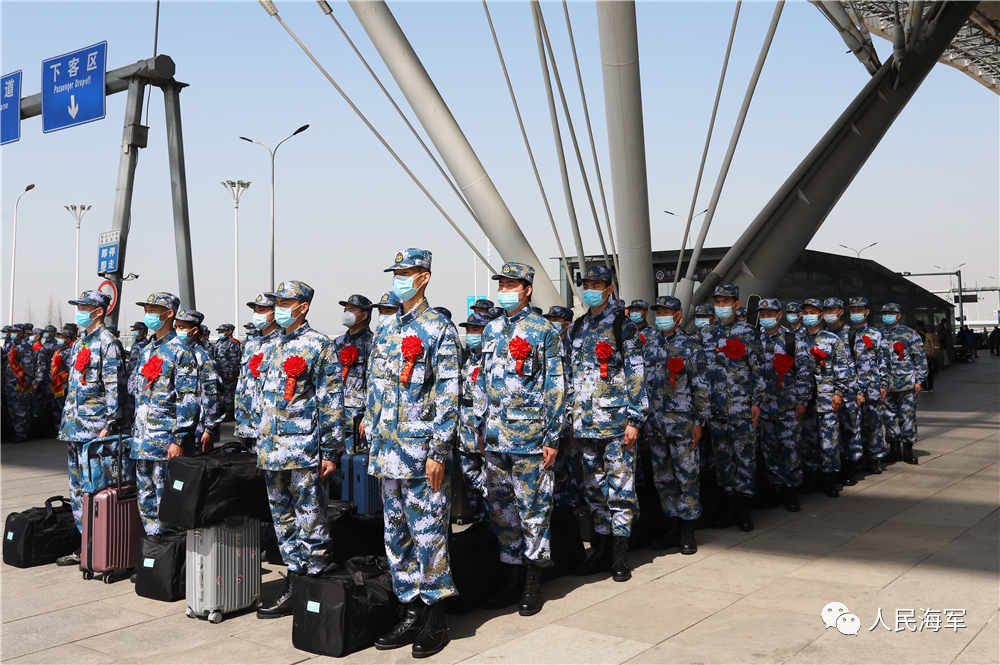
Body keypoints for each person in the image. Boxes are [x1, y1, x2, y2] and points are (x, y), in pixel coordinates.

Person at [360, 249, 457, 657]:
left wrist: (438, 449)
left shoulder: (439, 328)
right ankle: (410, 610)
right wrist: (368, 419)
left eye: (406, 273)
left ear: (424, 278)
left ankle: (436, 618)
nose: (399, 279)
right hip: (387, 452)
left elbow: (448, 392)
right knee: (396, 536)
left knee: (429, 535)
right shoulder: (385, 330)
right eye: (396, 273)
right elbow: (374, 384)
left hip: (421, 455)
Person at [472, 262, 565, 615]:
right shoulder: (492, 329)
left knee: (534, 510)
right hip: (495, 438)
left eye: (512, 284)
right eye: (503, 283)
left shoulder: (543, 331)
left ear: (527, 289)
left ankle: (532, 581)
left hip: (529, 439)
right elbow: (482, 383)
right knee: (501, 511)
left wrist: (552, 436)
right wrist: (478, 428)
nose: (505, 289)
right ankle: (511, 576)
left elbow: (555, 385)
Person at [253, 281, 342, 618]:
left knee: (311, 518)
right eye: (277, 301)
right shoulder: (272, 346)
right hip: (272, 451)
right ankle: (294, 579)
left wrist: (331, 452)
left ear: (303, 306)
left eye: (286, 301)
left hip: (303, 450)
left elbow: (332, 402)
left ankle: (315, 581)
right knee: (283, 520)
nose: (279, 307)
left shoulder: (318, 345)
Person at [569, 265, 647, 582]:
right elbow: (570, 377)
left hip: (616, 425)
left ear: (609, 288)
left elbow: (636, 375)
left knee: (621, 492)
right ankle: (600, 550)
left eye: (596, 283)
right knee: (595, 492)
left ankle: (619, 555)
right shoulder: (577, 328)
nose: (590, 288)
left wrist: (635, 419)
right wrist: (570, 420)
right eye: (586, 283)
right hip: (585, 426)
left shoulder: (623, 327)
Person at [55, 290, 126, 566]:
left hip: (95, 430)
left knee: (96, 488)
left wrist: (111, 422)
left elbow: (114, 387)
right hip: (74, 427)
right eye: (79, 306)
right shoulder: (80, 342)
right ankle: (85, 544)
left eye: (85, 306)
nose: (80, 311)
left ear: (99, 311)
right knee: (76, 488)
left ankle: (100, 545)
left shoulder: (108, 343)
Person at [644, 295, 709, 553]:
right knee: (663, 479)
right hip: (656, 424)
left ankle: (687, 530)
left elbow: (701, 387)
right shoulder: (648, 345)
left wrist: (698, 422)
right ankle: (671, 525)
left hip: (683, 424)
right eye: (658, 311)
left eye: (666, 311)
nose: (661, 316)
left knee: (687, 477)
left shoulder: (691, 346)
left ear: (679, 316)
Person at [131, 293, 198, 534]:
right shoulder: (148, 350)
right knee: (146, 501)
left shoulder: (181, 351)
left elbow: (188, 398)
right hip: (142, 440)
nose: (148, 314)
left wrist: (178, 438)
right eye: (146, 309)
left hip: (164, 442)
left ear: (169, 314)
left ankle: (171, 553)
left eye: (153, 309)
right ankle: (155, 551)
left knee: (166, 501)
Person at [702, 285, 766, 531]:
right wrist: (704, 407)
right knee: (722, 459)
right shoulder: (706, 334)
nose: (721, 306)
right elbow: (701, 376)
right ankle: (728, 506)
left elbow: (758, 370)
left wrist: (756, 402)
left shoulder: (748, 332)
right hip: (716, 409)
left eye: (725, 301)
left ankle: (744, 509)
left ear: (736, 304)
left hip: (742, 408)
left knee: (745, 457)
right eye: (717, 301)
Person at [756, 298, 811, 512]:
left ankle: (792, 491)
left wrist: (802, 401)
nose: (766, 318)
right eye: (763, 314)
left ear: (779, 315)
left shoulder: (792, 340)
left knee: (791, 449)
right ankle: (776, 489)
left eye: (770, 314)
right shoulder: (757, 341)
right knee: (770, 450)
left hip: (788, 406)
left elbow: (805, 373)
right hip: (765, 407)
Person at [799, 299, 849, 497]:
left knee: (829, 441)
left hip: (827, 398)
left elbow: (842, 368)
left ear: (820, 315)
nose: (809, 315)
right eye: (806, 312)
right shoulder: (795, 339)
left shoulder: (832, 340)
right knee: (808, 440)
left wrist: (839, 392)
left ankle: (829, 478)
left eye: (813, 311)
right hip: (804, 400)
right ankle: (812, 477)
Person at [543, 306, 580, 510]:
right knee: (555, 467)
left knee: (575, 466)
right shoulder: (548, 346)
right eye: (550, 318)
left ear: (566, 323)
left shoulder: (574, 347)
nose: (553, 322)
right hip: (552, 420)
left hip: (572, 419)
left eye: (556, 319)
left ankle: (576, 508)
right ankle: (559, 506)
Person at [822, 298, 862, 487]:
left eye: (832, 309)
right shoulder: (823, 334)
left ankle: (851, 469)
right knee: (831, 434)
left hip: (850, 391)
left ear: (840, 312)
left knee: (851, 430)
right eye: (826, 309)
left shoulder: (851, 333)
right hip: (830, 392)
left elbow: (862, 365)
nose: (829, 312)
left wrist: (861, 390)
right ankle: (834, 470)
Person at [880, 304, 926, 465]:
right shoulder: (878, 334)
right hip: (886, 385)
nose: (887, 316)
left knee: (908, 417)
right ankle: (894, 449)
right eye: (885, 313)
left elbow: (919, 358)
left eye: (891, 313)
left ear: (898, 315)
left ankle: (907, 449)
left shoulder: (909, 334)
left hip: (906, 383)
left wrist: (919, 380)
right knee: (889, 418)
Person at [847, 297, 889, 474]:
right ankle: (858, 457)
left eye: (859, 310)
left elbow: (884, 361)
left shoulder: (876, 335)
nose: (856, 313)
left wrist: (884, 383)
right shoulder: (845, 334)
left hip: (872, 387)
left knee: (873, 425)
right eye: (853, 310)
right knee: (854, 425)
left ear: (867, 311)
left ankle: (874, 458)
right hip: (850, 388)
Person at [455, 312, 490, 525]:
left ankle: (491, 529)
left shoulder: (492, 359)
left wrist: (482, 430)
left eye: (475, 329)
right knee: (471, 484)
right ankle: (479, 525)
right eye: (468, 330)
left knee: (489, 486)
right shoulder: (467, 359)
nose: (470, 334)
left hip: (483, 432)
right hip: (464, 430)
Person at [235, 293, 281, 447]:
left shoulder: (283, 345)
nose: (256, 315)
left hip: (273, 428)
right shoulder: (251, 345)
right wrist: (241, 421)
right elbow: (242, 385)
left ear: (275, 312)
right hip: (249, 426)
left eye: (262, 310)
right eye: (255, 311)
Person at [174, 310, 220, 453]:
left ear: (194, 330)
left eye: (181, 328)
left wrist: (210, 429)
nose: (177, 331)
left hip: (197, 430)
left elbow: (212, 395)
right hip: (177, 428)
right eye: (176, 327)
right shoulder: (176, 353)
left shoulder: (203, 356)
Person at [333, 294, 375, 455]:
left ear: (364, 315)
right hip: (337, 417)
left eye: (351, 309)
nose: (346, 313)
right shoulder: (337, 343)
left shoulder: (373, 343)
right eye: (345, 310)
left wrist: (368, 417)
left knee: (354, 469)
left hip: (357, 420)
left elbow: (374, 385)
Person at [4, 323, 39, 442]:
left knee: (21, 409)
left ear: (21, 333)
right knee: (12, 409)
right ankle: (15, 432)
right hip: (10, 383)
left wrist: (27, 382)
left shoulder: (25, 347)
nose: (12, 334)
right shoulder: (13, 345)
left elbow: (29, 367)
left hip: (19, 383)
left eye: (15, 332)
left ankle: (22, 433)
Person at [213, 324, 242, 420]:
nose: (220, 333)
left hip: (227, 373)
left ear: (229, 332)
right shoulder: (218, 342)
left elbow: (234, 359)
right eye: (219, 332)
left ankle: (229, 415)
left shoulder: (232, 343)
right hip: (219, 372)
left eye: (222, 331)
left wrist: (231, 372)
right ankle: (222, 412)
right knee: (220, 394)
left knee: (228, 395)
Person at [49, 327, 74, 433]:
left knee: (64, 407)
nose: (59, 339)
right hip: (55, 384)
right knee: (56, 408)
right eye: (58, 337)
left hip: (63, 384)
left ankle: (66, 428)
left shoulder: (70, 352)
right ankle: (57, 427)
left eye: (62, 337)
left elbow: (71, 369)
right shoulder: (58, 351)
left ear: (68, 340)